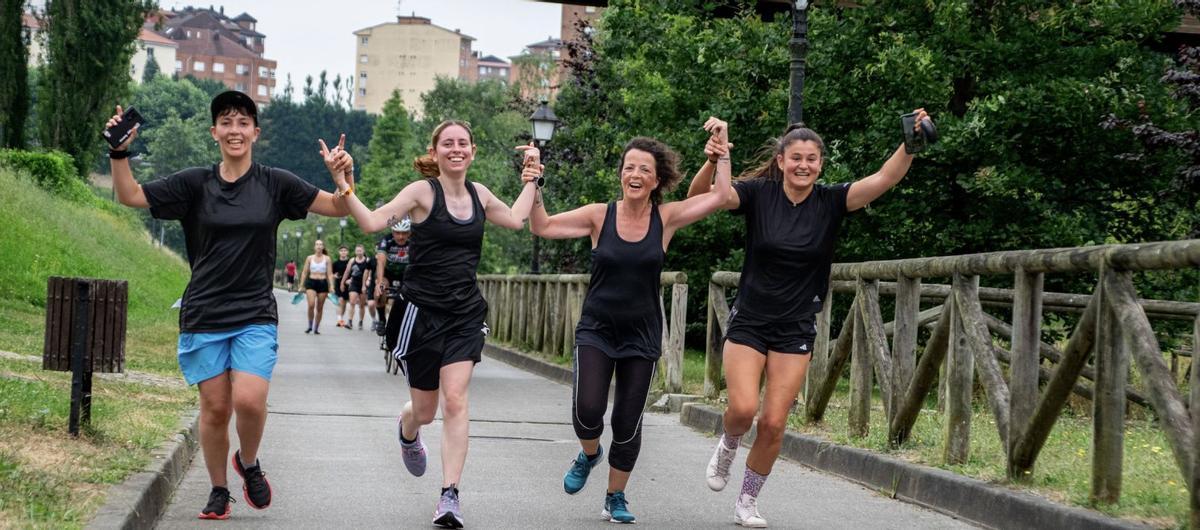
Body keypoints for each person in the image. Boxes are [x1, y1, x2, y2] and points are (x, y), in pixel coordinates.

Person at [105, 91, 355, 520]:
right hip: (204, 313)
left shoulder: (275, 183)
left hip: (254, 312)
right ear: (214, 132)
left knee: (250, 400)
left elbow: (337, 207)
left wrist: (343, 177)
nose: (234, 130)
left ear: (256, 132)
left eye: (243, 122)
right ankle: (219, 489)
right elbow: (130, 195)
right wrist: (118, 151)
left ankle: (249, 462)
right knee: (216, 408)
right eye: (226, 122)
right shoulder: (194, 184)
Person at [687, 110, 930, 528]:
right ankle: (728, 443)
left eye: (811, 159)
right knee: (743, 409)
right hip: (750, 319)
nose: (803, 165)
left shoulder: (831, 201)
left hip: (796, 325)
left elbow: (884, 178)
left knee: (774, 422)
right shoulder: (759, 194)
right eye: (796, 158)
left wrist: (910, 143)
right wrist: (714, 159)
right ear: (781, 160)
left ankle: (747, 501)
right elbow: (700, 198)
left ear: (820, 164)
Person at [529, 119, 733, 524]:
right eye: (629, 167)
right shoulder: (598, 216)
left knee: (626, 421)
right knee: (587, 411)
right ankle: (590, 454)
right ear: (621, 174)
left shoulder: (666, 218)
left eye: (644, 169)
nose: (635, 174)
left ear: (656, 180)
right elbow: (542, 225)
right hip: (597, 330)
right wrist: (535, 183)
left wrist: (721, 152)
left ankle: (615, 496)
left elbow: (722, 195)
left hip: (641, 334)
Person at [340, 120, 541, 528]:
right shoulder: (421, 193)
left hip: (465, 314)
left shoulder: (480, 194)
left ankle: (450, 495)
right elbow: (372, 223)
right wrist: (344, 184)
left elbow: (517, 219)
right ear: (435, 152)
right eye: (447, 143)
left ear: (473, 151)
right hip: (420, 314)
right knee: (426, 411)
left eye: (463, 143)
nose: (456, 149)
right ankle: (407, 428)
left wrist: (533, 178)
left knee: (456, 400)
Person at [374, 217, 411, 337]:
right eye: (397, 233)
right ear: (392, 231)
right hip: (388, 273)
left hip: (405, 273)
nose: (401, 236)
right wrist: (380, 282)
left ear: (409, 232)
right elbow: (380, 262)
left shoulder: (414, 240)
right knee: (380, 291)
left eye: (404, 233)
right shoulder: (386, 240)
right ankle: (381, 320)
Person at [298, 239, 335, 334]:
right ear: (314, 247)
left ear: (323, 247)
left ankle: (316, 328)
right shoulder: (309, 258)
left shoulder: (327, 259)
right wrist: (301, 285)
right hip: (311, 282)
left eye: (320, 244)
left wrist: (331, 286)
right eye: (317, 244)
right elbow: (304, 272)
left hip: (322, 283)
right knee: (311, 305)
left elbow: (330, 274)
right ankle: (310, 325)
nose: (319, 246)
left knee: (319, 307)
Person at [341, 244, 373, 330]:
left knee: (362, 305)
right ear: (355, 252)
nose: (359, 252)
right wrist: (342, 282)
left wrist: (368, 279)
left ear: (363, 251)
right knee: (352, 302)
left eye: (360, 250)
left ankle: (361, 321)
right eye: (357, 251)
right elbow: (347, 272)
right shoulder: (352, 260)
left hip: (363, 284)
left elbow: (370, 271)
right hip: (354, 282)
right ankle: (350, 321)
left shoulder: (367, 260)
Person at [332, 245, 351, 328]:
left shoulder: (350, 262)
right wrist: (334, 276)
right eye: (342, 251)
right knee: (340, 301)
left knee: (344, 303)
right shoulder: (335, 263)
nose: (343, 252)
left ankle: (341, 319)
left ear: (347, 252)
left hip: (348, 284)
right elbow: (330, 274)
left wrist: (351, 279)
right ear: (339, 252)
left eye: (345, 250)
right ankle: (339, 320)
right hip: (338, 284)